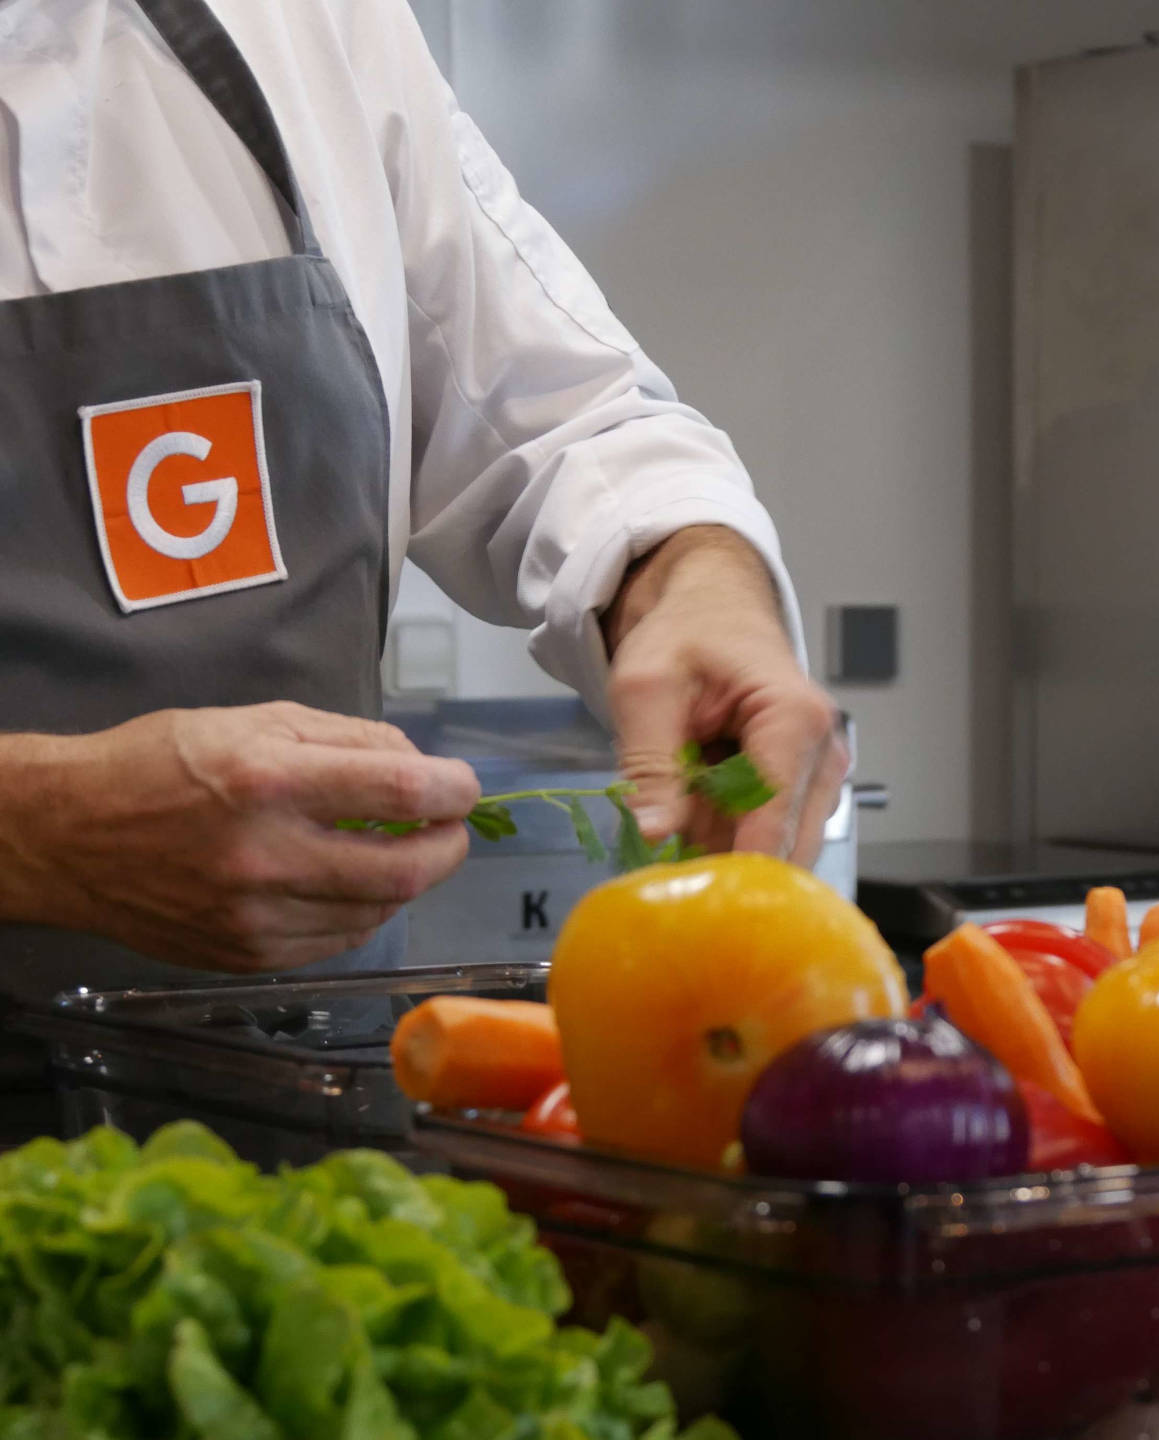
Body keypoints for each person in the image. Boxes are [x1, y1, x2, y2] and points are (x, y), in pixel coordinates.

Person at [0, 0, 845, 999]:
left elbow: (563, 424)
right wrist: (32, 829)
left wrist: (695, 579)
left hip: (299, 1110)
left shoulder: (311, 22)